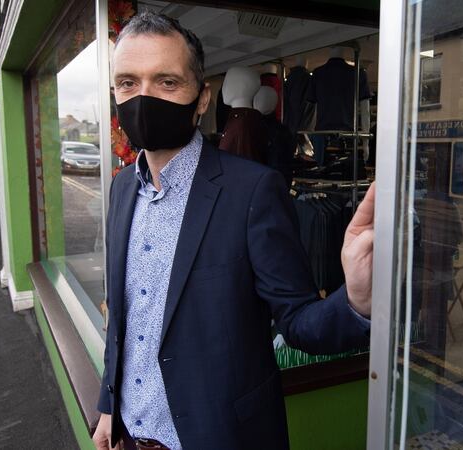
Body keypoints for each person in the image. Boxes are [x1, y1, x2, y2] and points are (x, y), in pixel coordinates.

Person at [94, 12, 374, 450]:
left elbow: (298, 322)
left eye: (167, 82)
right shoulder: (121, 190)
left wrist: (356, 300)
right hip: (129, 436)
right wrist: (108, 406)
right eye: (128, 83)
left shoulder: (253, 191)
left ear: (202, 98)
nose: (143, 98)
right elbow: (126, 321)